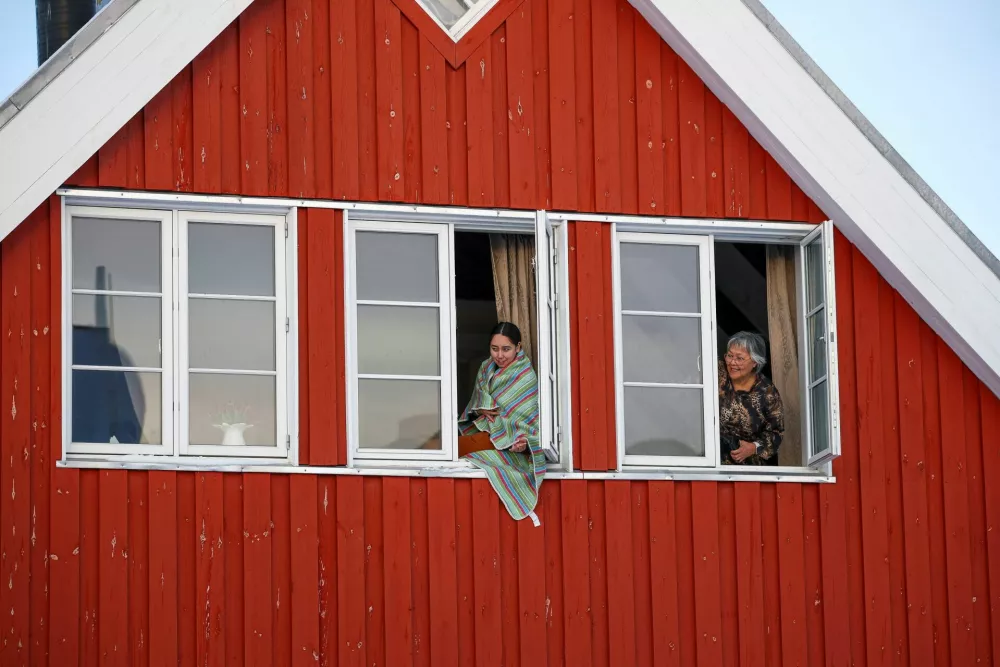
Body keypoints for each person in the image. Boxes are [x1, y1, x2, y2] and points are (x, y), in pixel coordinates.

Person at [458, 322, 545, 524]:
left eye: (506, 349)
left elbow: (528, 417)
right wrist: (480, 408)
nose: (499, 355)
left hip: (510, 442)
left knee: (454, 450)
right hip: (484, 431)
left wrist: (522, 440)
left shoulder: (526, 377)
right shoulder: (485, 368)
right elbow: (477, 402)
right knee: (448, 448)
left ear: (519, 347)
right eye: (494, 348)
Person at [719, 331, 784, 465]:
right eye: (729, 356)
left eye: (739, 358)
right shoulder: (718, 373)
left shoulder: (767, 393)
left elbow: (775, 433)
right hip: (709, 454)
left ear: (755, 362)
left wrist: (753, 447)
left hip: (743, 465)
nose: (732, 362)